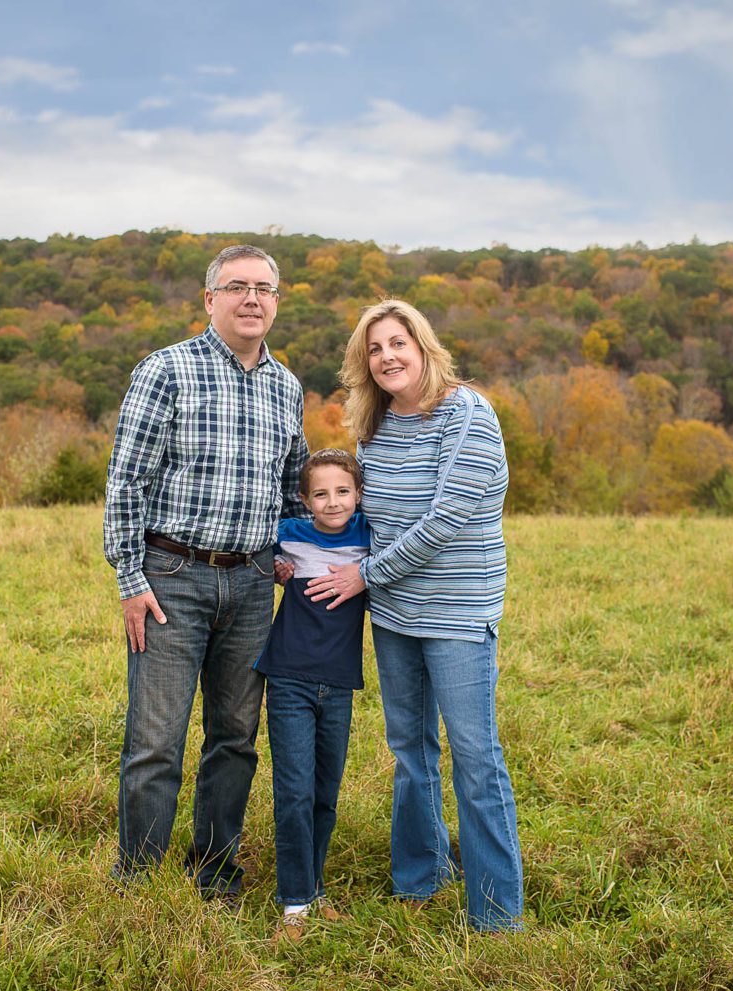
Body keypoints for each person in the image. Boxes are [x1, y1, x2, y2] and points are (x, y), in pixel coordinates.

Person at [303, 299, 524, 932]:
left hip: (457, 613)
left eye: (397, 343)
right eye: (374, 350)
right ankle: (421, 877)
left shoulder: (468, 414)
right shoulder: (375, 426)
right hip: (395, 615)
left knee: (476, 758)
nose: (387, 357)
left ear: (423, 345)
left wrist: (364, 575)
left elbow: (446, 522)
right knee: (410, 750)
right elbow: (361, 519)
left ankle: (496, 910)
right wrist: (302, 556)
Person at [103, 244, 309, 902]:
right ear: (209, 299)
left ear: (277, 300)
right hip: (171, 577)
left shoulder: (287, 386)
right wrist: (131, 579)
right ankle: (137, 879)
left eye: (265, 288)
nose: (253, 298)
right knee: (156, 739)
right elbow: (125, 483)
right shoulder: (166, 370)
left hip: (250, 583)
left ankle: (214, 872)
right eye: (237, 286)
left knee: (236, 737)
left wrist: (304, 557)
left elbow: (292, 489)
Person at [255, 448, 370, 942]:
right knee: (295, 793)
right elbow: (263, 557)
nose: (332, 502)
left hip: (339, 682)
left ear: (359, 495)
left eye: (343, 491)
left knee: (325, 795)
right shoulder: (290, 537)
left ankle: (314, 888)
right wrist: (278, 566)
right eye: (320, 493)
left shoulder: (372, 541)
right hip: (289, 678)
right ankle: (294, 906)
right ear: (303, 500)